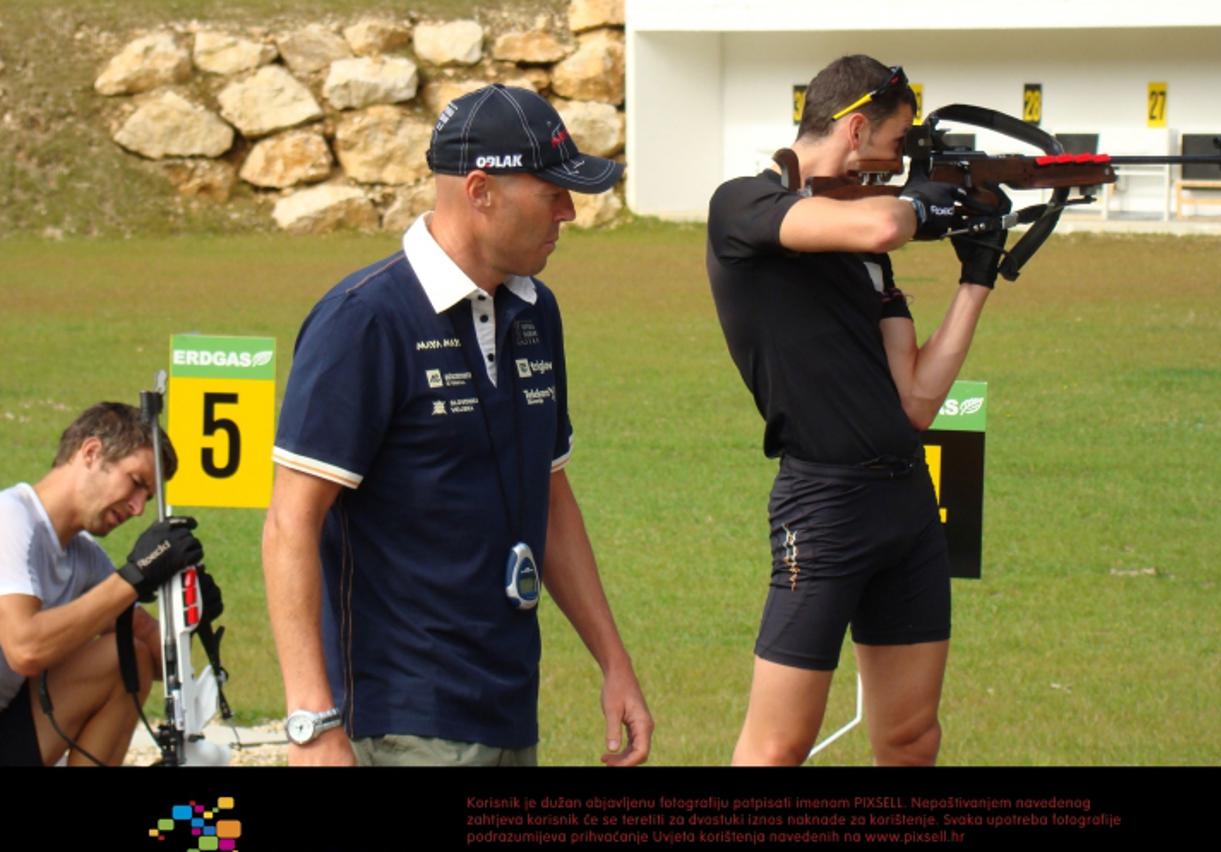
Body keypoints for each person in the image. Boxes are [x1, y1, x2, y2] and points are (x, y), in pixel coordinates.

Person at [263, 84, 653, 767]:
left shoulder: (536, 312)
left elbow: (552, 499)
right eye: (552, 191)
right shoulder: (363, 321)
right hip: (400, 718)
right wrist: (312, 724)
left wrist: (613, 661)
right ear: (481, 190)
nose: (570, 212)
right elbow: (288, 523)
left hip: (507, 706)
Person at [706, 56, 1006, 766]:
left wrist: (978, 275)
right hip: (825, 503)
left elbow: (918, 402)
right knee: (778, 746)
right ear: (856, 128)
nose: (900, 161)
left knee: (909, 737)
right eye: (897, 144)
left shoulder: (867, 253)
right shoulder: (742, 205)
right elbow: (883, 225)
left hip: (906, 499)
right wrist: (930, 202)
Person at [0, 402, 204, 766]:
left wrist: (187, 609)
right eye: (137, 483)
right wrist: (134, 576)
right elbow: (25, 648)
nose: (139, 508)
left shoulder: (84, 556)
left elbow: (152, 651)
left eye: (147, 498)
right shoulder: (10, 519)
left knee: (128, 658)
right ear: (91, 453)